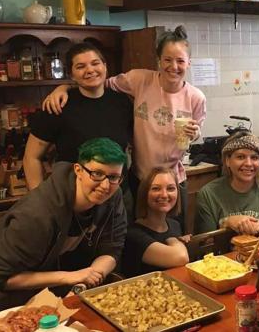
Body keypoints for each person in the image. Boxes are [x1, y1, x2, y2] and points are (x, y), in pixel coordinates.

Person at [43, 26, 207, 233]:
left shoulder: (196, 97)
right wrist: (64, 87)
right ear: (158, 61)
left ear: (189, 63)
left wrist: (196, 133)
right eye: (167, 60)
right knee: (136, 238)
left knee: (176, 235)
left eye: (180, 61)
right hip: (140, 178)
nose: (173, 66)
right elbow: (97, 83)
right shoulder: (139, 79)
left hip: (173, 179)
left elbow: (196, 132)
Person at [0, 138, 128, 309]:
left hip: (64, 292)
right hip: (14, 303)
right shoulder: (36, 214)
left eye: (113, 177)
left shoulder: (114, 195)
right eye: (96, 173)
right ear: (78, 170)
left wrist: (84, 282)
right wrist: (68, 277)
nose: (105, 185)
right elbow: (3, 278)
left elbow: (112, 250)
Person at [23, 42, 133, 190]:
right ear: (71, 75)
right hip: (73, 198)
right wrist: (38, 199)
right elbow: (31, 157)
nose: (90, 70)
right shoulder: (58, 105)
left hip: (118, 194)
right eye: (80, 66)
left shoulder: (122, 102)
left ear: (105, 66)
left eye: (95, 63)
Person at [194, 132, 259, 235]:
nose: (248, 164)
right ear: (227, 160)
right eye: (240, 157)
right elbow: (205, 245)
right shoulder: (208, 195)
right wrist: (226, 223)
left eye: (254, 157)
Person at [122, 167, 190, 277]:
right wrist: (175, 241)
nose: (164, 195)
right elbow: (181, 257)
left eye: (170, 188)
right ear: (144, 193)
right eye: (156, 189)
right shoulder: (133, 235)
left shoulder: (174, 225)